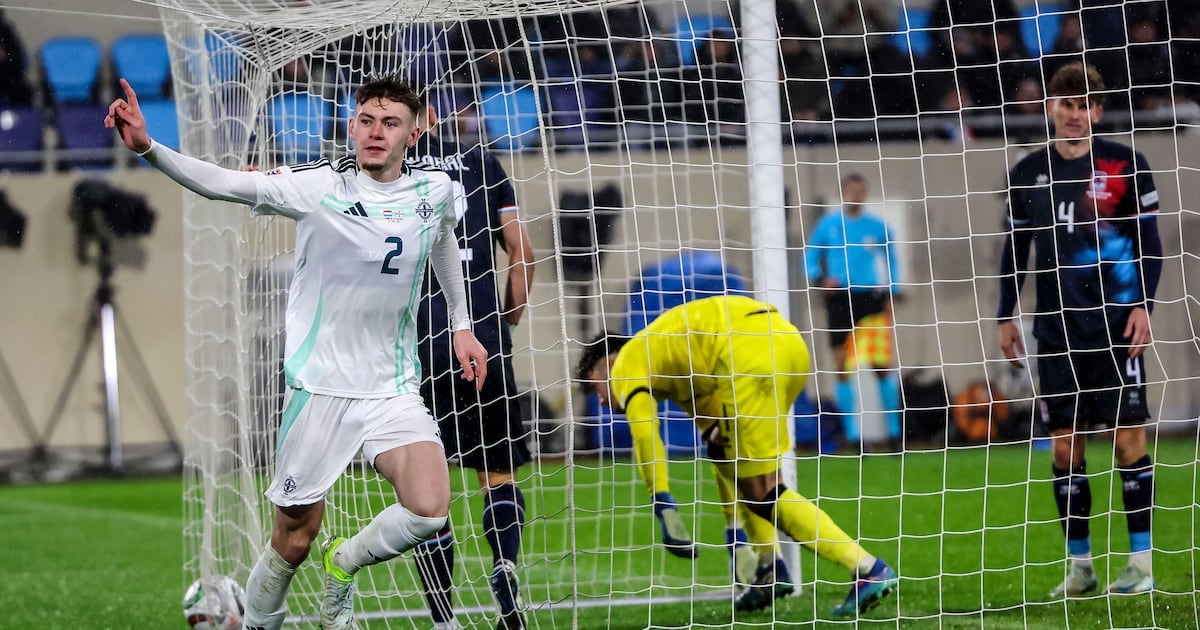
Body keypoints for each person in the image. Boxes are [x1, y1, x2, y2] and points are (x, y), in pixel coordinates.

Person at [105, 75, 489, 630]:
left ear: (415, 131)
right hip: (320, 388)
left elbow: (445, 239)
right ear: (352, 125)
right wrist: (148, 148)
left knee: (429, 509)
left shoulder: (435, 191)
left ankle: (346, 562)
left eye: (390, 123)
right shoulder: (318, 187)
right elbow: (222, 185)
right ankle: (263, 622)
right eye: (365, 121)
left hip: (391, 387)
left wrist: (461, 324)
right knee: (293, 538)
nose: (375, 132)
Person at [577, 295, 898, 617]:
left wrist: (663, 503)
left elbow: (646, 434)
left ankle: (867, 567)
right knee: (751, 473)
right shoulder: (677, 364)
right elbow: (722, 455)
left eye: (596, 388)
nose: (602, 402)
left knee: (764, 494)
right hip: (786, 345)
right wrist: (734, 531)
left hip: (747, 356)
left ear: (608, 364)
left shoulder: (628, 362)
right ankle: (770, 568)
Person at [996, 62, 1162, 599]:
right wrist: (1005, 314)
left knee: (1126, 438)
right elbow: (1014, 253)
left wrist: (1144, 306)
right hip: (1056, 334)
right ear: (1050, 108)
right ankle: (1081, 567)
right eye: (1066, 104)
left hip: (1116, 328)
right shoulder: (1026, 174)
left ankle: (1141, 563)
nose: (1076, 114)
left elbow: (1150, 244)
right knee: (1065, 449)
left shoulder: (1125, 165)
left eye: (1086, 104)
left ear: (1099, 110)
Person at [404, 95, 536, 630]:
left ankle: (442, 618)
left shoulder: (392, 162)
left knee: (425, 494)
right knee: (497, 476)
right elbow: (523, 252)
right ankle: (504, 570)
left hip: (417, 344)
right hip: (483, 341)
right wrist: (509, 316)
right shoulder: (484, 161)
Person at [804, 174, 903, 451]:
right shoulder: (829, 225)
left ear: (865, 193)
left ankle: (894, 434)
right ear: (843, 193)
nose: (856, 195)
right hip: (839, 299)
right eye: (851, 190)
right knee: (842, 365)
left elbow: (891, 259)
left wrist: (892, 291)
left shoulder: (878, 227)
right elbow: (810, 256)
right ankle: (853, 435)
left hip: (869, 299)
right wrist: (819, 278)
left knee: (880, 365)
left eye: (861, 190)